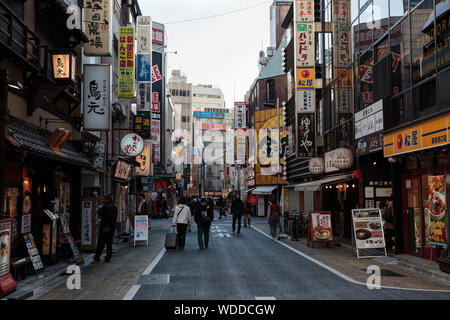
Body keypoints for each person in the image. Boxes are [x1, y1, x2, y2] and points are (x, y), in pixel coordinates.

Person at [94, 194, 118, 262]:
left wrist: (99, 208)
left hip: (104, 227)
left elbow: (99, 213)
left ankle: (97, 257)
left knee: (101, 243)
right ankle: (108, 257)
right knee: (109, 243)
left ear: (106, 200)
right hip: (112, 227)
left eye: (104, 199)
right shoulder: (115, 206)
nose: (103, 200)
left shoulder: (105, 206)